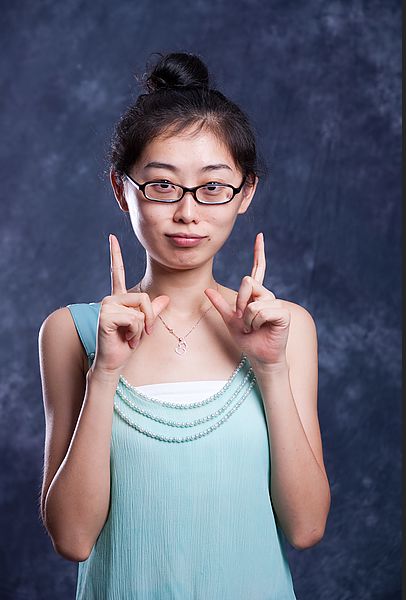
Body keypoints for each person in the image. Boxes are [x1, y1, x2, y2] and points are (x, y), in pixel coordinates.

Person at [38, 51, 331, 600]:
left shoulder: (286, 327)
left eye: (213, 187)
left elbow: (306, 526)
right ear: (121, 189)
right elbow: (74, 540)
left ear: (246, 194)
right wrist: (105, 374)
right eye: (162, 186)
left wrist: (269, 369)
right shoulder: (71, 332)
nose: (188, 212)